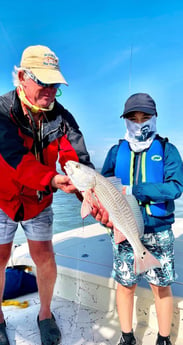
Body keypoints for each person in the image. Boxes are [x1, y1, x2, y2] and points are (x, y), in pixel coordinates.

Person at [0, 45, 94, 345]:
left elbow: (77, 161)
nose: (51, 90)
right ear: (21, 77)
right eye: (43, 82)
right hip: (2, 199)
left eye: (55, 84)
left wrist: (91, 196)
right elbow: (15, 158)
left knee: (44, 256)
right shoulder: (2, 111)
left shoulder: (63, 117)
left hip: (39, 201)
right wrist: (51, 178)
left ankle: (44, 314)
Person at [101, 93, 183, 345]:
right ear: (125, 121)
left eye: (144, 117)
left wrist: (137, 190)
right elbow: (103, 186)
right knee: (126, 285)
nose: (138, 123)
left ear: (154, 118)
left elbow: (175, 187)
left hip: (158, 230)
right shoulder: (116, 152)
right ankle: (127, 336)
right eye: (132, 118)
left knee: (161, 286)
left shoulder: (168, 150)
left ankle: (164, 338)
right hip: (124, 229)